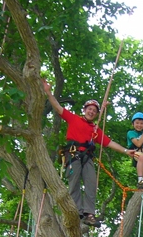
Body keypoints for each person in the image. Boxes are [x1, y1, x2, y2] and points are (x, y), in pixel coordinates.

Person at [41, 75, 135, 228]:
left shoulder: (95, 130)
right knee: (74, 183)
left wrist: (126, 151)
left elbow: (110, 142)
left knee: (91, 184)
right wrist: (48, 93)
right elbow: (58, 107)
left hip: (87, 158)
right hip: (73, 155)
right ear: (84, 110)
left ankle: (89, 214)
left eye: (94, 111)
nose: (91, 112)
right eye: (89, 109)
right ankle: (75, 212)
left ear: (97, 114)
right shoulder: (74, 119)